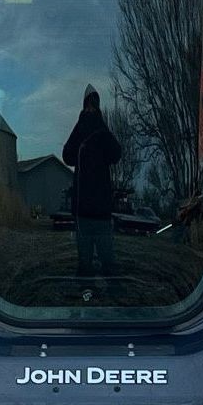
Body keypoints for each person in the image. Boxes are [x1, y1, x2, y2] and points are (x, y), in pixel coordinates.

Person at [62, 86, 121, 278]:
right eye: (89, 105)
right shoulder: (81, 129)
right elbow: (67, 156)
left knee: (108, 261)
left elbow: (116, 154)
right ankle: (86, 294)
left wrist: (99, 126)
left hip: (100, 210)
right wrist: (84, 127)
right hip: (85, 210)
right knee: (86, 263)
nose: (91, 109)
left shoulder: (101, 130)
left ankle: (111, 297)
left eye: (93, 106)